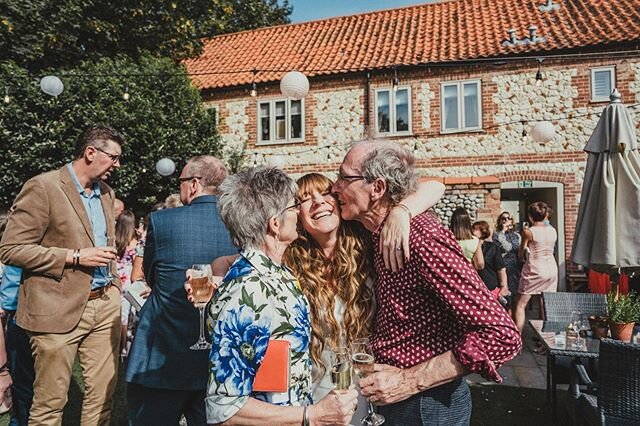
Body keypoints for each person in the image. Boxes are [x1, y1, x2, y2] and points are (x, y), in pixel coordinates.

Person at [332, 141, 521, 425]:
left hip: (426, 406)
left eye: (344, 178)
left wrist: (409, 381)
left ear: (378, 188)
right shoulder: (374, 229)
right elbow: (433, 185)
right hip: (396, 400)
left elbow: (502, 335)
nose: (336, 187)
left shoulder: (421, 238)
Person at [206, 166, 358, 425]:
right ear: (275, 224)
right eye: (292, 207)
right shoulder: (248, 292)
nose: (299, 211)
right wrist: (313, 415)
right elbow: (224, 407)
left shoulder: (280, 274)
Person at [0, 125, 123, 425]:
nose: (117, 165)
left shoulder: (107, 193)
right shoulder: (43, 187)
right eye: (114, 157)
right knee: (49, 405)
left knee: (102, 399)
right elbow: (11, 248)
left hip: (104, 304)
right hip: (54, 308)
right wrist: (75, 256)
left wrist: (116, 286)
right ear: (90, 153)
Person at [125, 155, 237, 425]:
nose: (180, 188)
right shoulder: (239, 223)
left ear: (194, 184)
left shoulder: (162, 221)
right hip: (218, 354)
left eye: (181, 182)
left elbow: (151, 274)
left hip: (162, 351)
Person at [514, 202, 558, 333]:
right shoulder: (552, 230)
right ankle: (545, 339)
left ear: (530, 216)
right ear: (545, 215)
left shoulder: (528, 232)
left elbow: (521, 253)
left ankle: (518, 339)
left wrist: (523, 253)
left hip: (535, 269)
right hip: (551, 268)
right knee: (544, 305)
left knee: (520, 304)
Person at [115, 209, 143, 356]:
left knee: (120, 314)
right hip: (129, 280)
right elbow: (136, 263)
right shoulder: (135, 244)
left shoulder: (115, 241)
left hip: (117, 278)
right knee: (128, 315)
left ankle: (120, 346)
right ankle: (125, 347)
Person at [472, 221, 509, 305]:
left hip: (491, 288)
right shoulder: (471, 246)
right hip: (475, 288)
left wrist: (504, 286)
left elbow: (501, 268)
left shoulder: (492, 248)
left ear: (483, 231)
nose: (472, 231)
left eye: (475, 229)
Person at [492, 211, 522, 308]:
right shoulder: (497, 235)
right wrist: (503, 230)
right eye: (503, 218)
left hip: (515, 267)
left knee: (515, 294)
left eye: (508, 218)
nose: (506, 220)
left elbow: (520, 250)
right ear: (500, 221)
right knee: (505, 295)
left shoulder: (517, 236)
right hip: (503, 266)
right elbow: (507, 247)